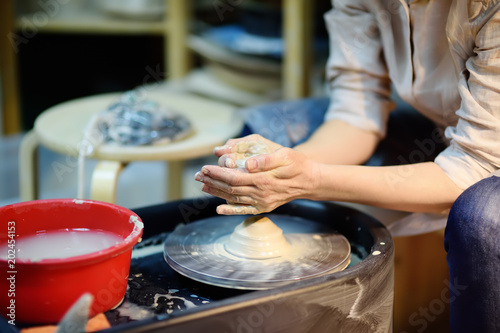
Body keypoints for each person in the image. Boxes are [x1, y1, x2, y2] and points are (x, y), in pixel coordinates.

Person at [194, 0, 500, 332]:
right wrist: (281, 166)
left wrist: (311, 179)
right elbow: (356, 114)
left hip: (485, 161)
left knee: (481, 219)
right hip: (442, 125)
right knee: (269, 129)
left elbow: (474, 167)